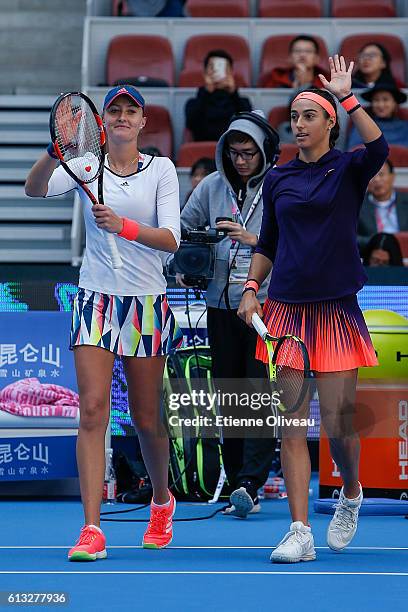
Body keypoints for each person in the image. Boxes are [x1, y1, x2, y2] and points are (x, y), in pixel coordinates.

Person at [238, 55, 389, 563]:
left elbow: (380, 146)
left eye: (308, 117)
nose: (298, 125)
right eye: (295, 117)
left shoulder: (349, 167)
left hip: (336, 312)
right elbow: (269, 241)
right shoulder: (277, 179)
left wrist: (348, 96)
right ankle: (299, 529)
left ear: (330, 123)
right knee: (291, 424)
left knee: (341, 427)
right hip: (286, 314)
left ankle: (350, 492)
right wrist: (252, 286)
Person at [25, 84, 183, 561]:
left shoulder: (162, 170)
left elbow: (172, 238)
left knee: (146, 417)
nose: (120, 117)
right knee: (92, 410)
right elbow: (33, 189)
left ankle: (161, 501)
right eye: (113, 110)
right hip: (95, 299)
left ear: (142, 122)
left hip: (146, 304)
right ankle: (92, 528)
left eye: (129, 111)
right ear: (101, 123)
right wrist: (55, 152)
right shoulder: (86, 166)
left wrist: (124, 226)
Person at [178, 111, 280, 518]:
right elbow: (184, 230)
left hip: (266, 306)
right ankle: (237, 479)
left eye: (249, 153)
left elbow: (294, 241)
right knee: (229, 394)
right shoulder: (209, 187)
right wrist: (191, 261)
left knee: (257, 394)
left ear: (265, 152)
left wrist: (252, 239)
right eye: (234, 153)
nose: (241, 161)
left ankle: (252, 483)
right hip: (220, 305)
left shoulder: (277, 186)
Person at [185, 50, 252, 142]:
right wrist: (207, 93)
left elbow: (248, 125)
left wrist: (233, 93)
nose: (217, 71)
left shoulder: (242, 102)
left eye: (223, 67)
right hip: (204, 151)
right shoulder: (193, 103)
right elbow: (192, 124)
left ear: (231, 72)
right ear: (205, 72)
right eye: (212, 67)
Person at [358, 158, 408, 251]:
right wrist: (377, 243)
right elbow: (351, 237)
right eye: (372, 175)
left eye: (381, 174)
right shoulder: (357, 205)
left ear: (392, 177)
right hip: (373, 257)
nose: (376, 179)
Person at [347, 84, 408, 149]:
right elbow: (354, 150)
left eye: (385, 100)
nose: (380, 105)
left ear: (394, 103)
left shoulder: (405, 127)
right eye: (376, 100)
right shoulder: (362, 126)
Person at [260, 35, 328, 89]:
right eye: (297, 51)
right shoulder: (276, 78)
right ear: (290, 58)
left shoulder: (326, 80)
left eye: (308, 51)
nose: (302, 55)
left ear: (317, 59)